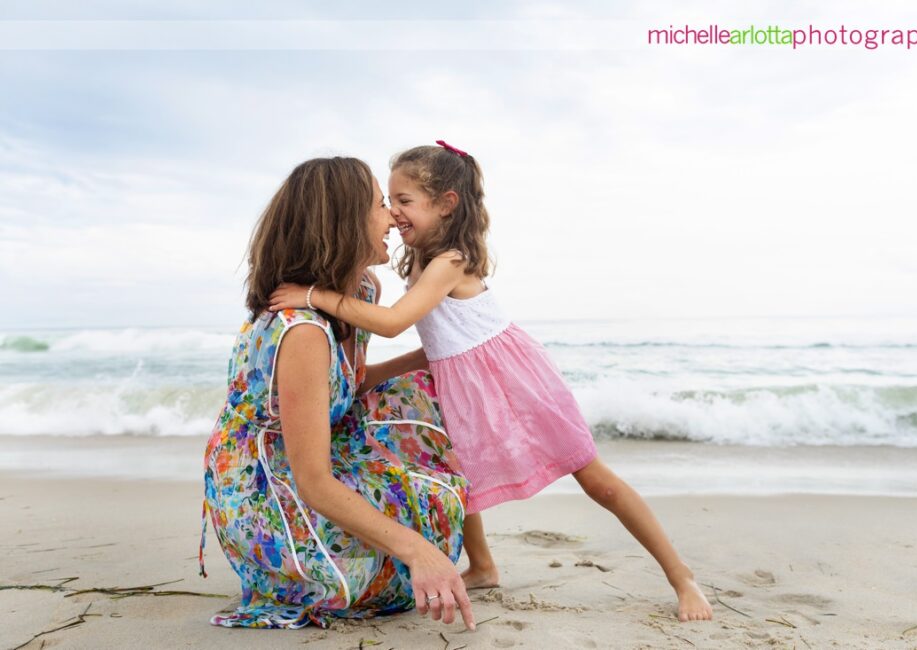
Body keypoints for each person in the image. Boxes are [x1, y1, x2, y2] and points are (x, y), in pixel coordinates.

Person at [269, 142, 714, 622]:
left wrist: (314, 295)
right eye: (389, 201)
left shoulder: (450, 261)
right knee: (463, 476)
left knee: (594, 479)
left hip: (515, 381)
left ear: (446, 204)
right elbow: (440, 345)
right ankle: (481, 565)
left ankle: (680, 575)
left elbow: (394, 322)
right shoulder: (417, 261)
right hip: (465, 383)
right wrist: (374, 375)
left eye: (404, 200)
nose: (393, 212)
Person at [201, 156, 476, 631]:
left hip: (319, 451)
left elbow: (350, 381)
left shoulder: (363, 290)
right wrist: (417, 550)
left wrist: (433, 359)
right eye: (378, 206)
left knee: (432, 472)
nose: (391, 217)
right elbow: (312, 481)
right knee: (380, 575)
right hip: (269, 483)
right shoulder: (301, 331)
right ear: (344, 223)